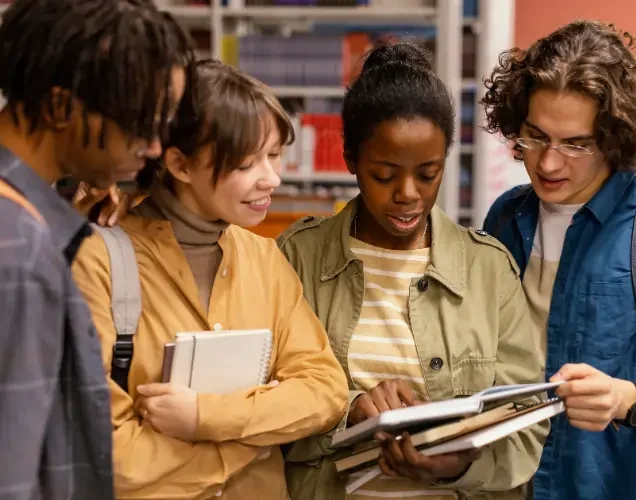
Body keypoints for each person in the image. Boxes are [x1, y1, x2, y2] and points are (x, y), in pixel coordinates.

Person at [278, 42, 548, 500]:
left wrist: (458, 463)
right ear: (350, 161)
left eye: (428, 174)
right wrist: (347, 415)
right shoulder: (296, 258)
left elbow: (527, 426)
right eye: (384, 175)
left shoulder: (488, 269)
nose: (408, 194)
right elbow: (260, 404)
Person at [71, 60, 349, 500]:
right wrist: (248, 444)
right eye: (245, 163)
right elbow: (106, 452)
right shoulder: (99, 258)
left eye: (274, 155)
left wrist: (205, 417)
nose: (271, 179)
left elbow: (325, 392)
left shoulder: (264, 258)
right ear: (180, 164)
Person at [481, 20, 636, 500]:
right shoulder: (507, 217)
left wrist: (626, 399)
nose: (549, 163)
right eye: (535, 136)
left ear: (613, 137)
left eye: (576, 144)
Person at [0, 0, 192, 498]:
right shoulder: (19, 248)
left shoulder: (36, 223)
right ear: (61, 107)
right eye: (139, 123)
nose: (153, 148)